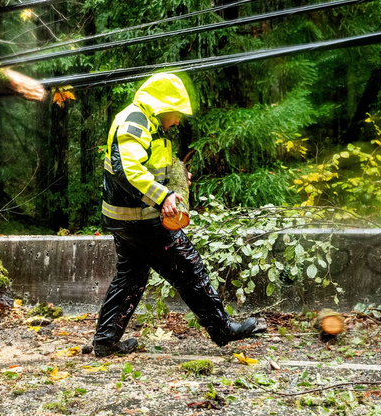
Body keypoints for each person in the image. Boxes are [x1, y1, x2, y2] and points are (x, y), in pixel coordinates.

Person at [92, 72, 266, 357]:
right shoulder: (135, 121)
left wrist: (175, 180)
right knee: (190, 268)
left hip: (126, 218)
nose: (178, 121)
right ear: (163, 106)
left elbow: (147, 166)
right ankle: (222, 329)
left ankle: (105, 340)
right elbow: (127, 168)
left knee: (131, 277)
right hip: (141, 219)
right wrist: (163, 196)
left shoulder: (146, 124)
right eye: (177, 114)